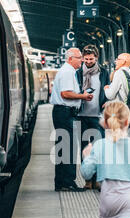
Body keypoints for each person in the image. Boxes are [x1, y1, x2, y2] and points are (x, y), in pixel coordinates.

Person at [50, 48, 93, 192]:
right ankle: (67, 183)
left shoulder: (67, 71)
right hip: (65, 112)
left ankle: (62, 182)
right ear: (70, 59)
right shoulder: (68, 72)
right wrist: (83, 96)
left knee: (65, 148)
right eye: (79, 57)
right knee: (67, 148)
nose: (81, 60)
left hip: (63, 112)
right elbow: (66, 93)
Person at [76, 44, 110, 190]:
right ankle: (87, 180)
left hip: (97, 116)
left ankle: (98, 180)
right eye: (86, 59)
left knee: (99, 149)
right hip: (82, 115)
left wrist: (107, 102)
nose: (88, 62)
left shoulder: (103, 72)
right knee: (84, 149)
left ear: (96, 57)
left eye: (91, 59)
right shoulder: (78, 73)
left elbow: (107, 89)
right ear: (83, 58)